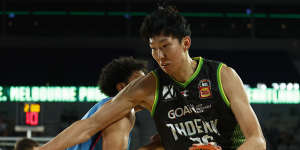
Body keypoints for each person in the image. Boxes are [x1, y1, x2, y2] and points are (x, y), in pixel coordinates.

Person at [39, 4, 266, 150]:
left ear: (186, 43)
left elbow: (257, 141)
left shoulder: (222, 75)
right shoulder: (147, 86)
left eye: (165, 46)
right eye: (153, 48)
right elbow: (90, 125)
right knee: (117, 115)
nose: (159, 56)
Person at [67, 56, 147, 150]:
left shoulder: (103, 107)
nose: (148, 88)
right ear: (122, 87)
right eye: (141, 83)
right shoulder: (120, 113)